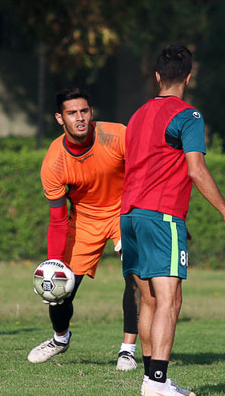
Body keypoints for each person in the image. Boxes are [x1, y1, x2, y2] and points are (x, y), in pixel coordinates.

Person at [120, 46, 225, 396]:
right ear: (189, 78)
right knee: (170, 300)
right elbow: (195, 168)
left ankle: (151, 379)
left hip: (129, 215)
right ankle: (156, 384)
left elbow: (146, 167)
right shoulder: (189, 116)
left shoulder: (138, 115)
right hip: (160, 217)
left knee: (148, 300)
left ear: (157, 76)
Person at [28, 87, 140, 371]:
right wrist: (55, 263)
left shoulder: (118, 135)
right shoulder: (54, 162)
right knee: (58, 291)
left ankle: (127, 350)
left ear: (92, 113)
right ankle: (60, 339)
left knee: (137, 278)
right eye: (71, 113)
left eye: (84, 111)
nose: (79, 118)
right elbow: (57, 219)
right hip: (84, 220)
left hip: (124, 211)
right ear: (59, 118)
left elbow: (144, 172)